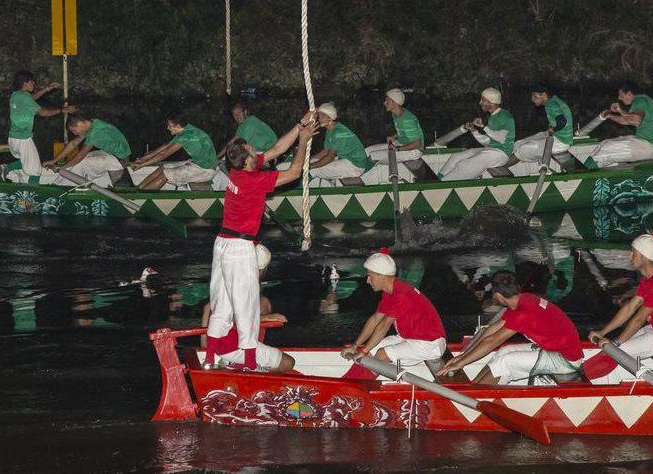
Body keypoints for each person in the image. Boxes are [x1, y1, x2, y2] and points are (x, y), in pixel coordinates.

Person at [204, 114, 318, 372]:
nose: (256, 150)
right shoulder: (251, 180)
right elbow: (294, 172)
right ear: (247, 161)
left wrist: (298, 126)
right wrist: (303, 142)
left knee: (221, 300)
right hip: (238, 247)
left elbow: (278, 148)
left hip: (222, 242)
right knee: (247, 305)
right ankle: (250, 365)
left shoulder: (238, 170)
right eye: (252, 150)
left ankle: (210, 357)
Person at [436, 270, 584, 385]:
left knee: (506, 362)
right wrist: (461, 357)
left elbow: (492, 341)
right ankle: (474, 388)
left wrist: (461, 363)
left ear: (498, 296)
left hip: (565, 361)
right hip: (553, 350)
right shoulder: (523, 300)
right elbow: (491, 330)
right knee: (505, 351)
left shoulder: (523, 313)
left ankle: (476, 396)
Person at [583, 232, 653, 382]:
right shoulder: (650, 279)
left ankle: (578, 380)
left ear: (644, 257)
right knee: (614, 347)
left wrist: (616, 343)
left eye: (634, 253)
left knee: (616, 352)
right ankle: (582, 375)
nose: (630, 256)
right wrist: (603, 332)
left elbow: (639, 319)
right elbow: (630, 308)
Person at [340, 249, 446, 379]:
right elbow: (375, 319)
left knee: (381, 354)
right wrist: (356, 346)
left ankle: (358, 389)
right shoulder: (390, 291)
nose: (367, 281)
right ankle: (346, 382)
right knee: (371, 351)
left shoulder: (401, 293)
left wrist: (364, 350)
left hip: (429, 343)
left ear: (382, 276)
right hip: (409, 337)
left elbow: (383, 326)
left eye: (370, 276)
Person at [7, 71, 75, 182]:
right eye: (31, 82)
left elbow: (30, 98)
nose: (33, 83)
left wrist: (47, 89)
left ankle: (6, 168)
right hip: (23, 139)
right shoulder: (24, 97)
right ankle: (30, 195)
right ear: (25, 83)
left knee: (26, 160)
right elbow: (43, 113)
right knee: (35, 170)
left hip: (13, 138)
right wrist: (63, 110)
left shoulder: (15, 95)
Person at [437, 88, 516, 181]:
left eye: (483, 100)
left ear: (491, 102)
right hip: (491, 149)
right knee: (456, 157)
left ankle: (441, 185)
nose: (480, 102)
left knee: (465, 164)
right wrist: (474, 130)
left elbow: (501, 139)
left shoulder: (504, 116)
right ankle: (437, 180)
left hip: (501, 154)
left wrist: (484, 127)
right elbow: (487, 141)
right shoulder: (493, 117)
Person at [128, 113, 219, 190]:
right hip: (197, 163)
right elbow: (165, 147)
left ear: (178, 126)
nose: (168, 128)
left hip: (206, 170)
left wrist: (142, 164)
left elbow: (164, 154)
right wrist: (142, 159)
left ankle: (142, 196)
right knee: (163, 168)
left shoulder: (187, 136)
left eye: (170, 126)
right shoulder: (186, 129)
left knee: (166, 174)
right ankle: (138, 189)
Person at [587, 80, 653, 168]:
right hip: (644, 143)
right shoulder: (641, 102)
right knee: (604, 143)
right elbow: (626, 121)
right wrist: (609, 116)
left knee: (607, 148)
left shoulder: (640, 100)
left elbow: (636, 120)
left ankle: (585, 175)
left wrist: (620, 110)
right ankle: (589, 169)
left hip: (649, 147)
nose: (619, 98)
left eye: (621, 95)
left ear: (629, 94)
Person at [41, 114, 131, 187]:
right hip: (110, 154)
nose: (75, 134)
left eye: (74, 130)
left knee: (82, 162)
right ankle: (57, 185)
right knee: (79, 159)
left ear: (80, 124)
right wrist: (54, 161)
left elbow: (80, 156)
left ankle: (62, 187)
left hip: (119, 160)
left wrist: (62, 167)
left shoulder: (95, 132)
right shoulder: (91, 123)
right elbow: (73, 144)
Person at [511, 85, 573, 176]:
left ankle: (502, 167)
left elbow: (562, 121)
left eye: (535, 96)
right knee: (518, 143)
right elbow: (557, 119)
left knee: (523, 149)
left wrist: (553, 129)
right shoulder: (553, 100)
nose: (532, 99)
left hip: (561, 142)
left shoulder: (551, 105)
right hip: (556, 136)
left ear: (544, 95)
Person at [307, 102, 374, 184]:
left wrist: (310, 167)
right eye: (319, 115)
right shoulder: (331, 129)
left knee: (315, 169)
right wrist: (309, 160)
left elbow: (330, 157)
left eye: (322, 116)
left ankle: (296, 190)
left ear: (330, 117)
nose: (319, 119)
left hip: (355, 166)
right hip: (346, 160)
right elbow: (325, 151)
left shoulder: (339, 132)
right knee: (314, 161)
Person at [365, 88, 425, 165]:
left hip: (414, 151)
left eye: (387, 100)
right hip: (401, 144)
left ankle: (355, 173)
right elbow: (402, 132)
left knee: (373, 156)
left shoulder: (407, 119)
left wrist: (397, 149)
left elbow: (417, 144)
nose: (384, 103)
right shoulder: (396, 114)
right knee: (367, 151)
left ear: (394, 102)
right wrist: (393, 137)